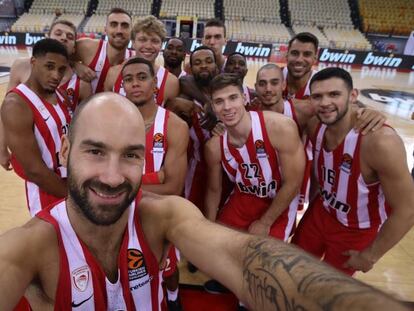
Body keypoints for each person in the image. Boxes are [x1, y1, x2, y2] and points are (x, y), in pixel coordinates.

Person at [0, 92, 410, 311]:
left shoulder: (162, 216)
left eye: (130, 155)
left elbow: (247, 259)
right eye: (94, 151)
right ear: (66, 149)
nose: (112, 176)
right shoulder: (29, 247)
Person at [292, 67, 414, 276]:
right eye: (317, 96)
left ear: (353, 95)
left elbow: (408, 209)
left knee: (329, 289)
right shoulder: (315, 126)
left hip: (357, 228)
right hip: (321, 211)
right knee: (292, 265)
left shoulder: (380, 141)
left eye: (334, 94)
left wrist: (371, 255)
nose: (325, 102)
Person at [121, 57, 189, 310]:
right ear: (123, 87)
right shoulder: (115, 122)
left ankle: (173, 298)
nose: (135, 84)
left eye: (141, 77)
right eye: (128, 79)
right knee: (129, 268)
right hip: (121, 212)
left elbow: (172, 187)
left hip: (159, 210)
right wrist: (154, 177)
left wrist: (126, 186)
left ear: (155, 85)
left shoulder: (174, 125)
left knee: (168, 268)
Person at [0, 19, 91, 171]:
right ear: (47, 36)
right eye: (58, 33)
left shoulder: (82, 81)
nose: (63, 38)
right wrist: (2, 147)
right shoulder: (21, 66)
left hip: (64, 155)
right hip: (32, 151)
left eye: (69, 37)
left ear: (74, 48)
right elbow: (6, 112)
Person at [1, 39, 71, 217]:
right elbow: (34, 171)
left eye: (61, 70)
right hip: (47, 195)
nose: (56, 75)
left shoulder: (60, 95)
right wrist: (74, 196)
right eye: (49, 66)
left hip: (69, 184)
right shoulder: (16, 104)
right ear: (33, 63)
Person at [105, 15, 179, 107]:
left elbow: (167, 119)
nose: (148, 46)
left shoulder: (170, 82)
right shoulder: (114, 73)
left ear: (161, 45)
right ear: (133, 42)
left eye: (155, 41)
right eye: (142, 40)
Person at [74, 7, 134, 94]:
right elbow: (57, 57)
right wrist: (75, 65)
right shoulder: (87, 47)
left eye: (125, 26)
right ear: (105, 30)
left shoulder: (135, 59)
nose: (119, 31)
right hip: (85, 106)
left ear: (131, 31)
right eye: (114, 25)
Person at [283, 32, 319, 100]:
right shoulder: (275, 76)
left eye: (307, 54)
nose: (299, 60)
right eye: (294, 53)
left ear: (315, 59)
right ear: (287, 55)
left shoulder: (321, 84)